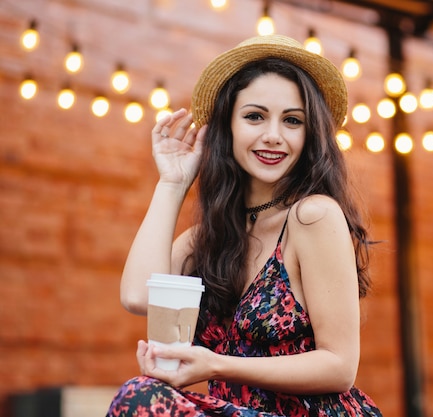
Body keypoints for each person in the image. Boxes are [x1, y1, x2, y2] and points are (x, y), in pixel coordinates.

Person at [106, 34, 383, 417]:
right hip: (236, 410)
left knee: (141, 397)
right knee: (142, 396)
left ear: (309, 134)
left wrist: (215, 365)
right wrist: (172, 185)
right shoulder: (211, 238)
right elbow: (138, 296)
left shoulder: (313, 216)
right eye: (255, 116)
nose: (273, 135)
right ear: (228, 127)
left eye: (292, 120)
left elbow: (339, 367)